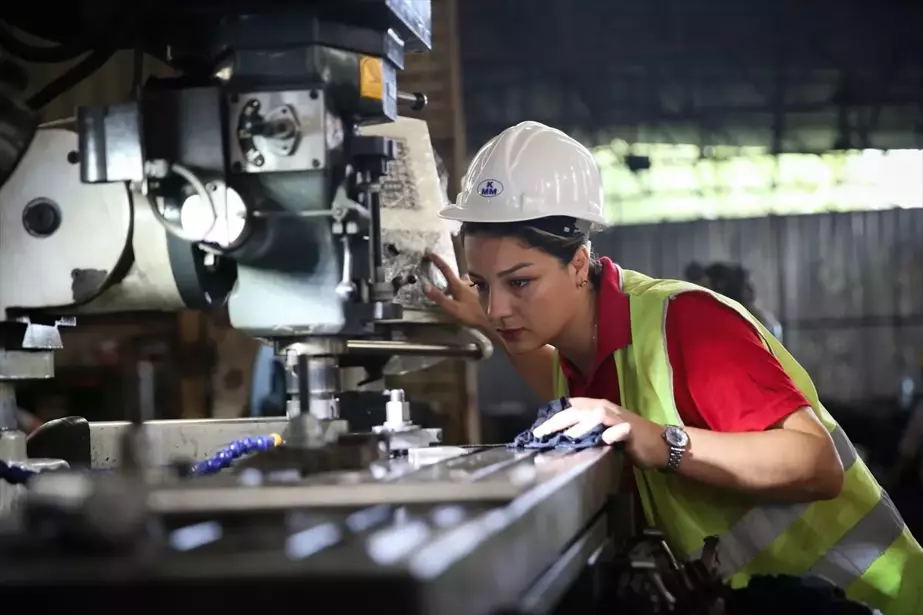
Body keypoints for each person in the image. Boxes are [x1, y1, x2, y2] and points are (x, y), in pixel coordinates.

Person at [423, 121, 921, 614]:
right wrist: (484, 321)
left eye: (519, 283)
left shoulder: (685, 321)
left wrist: (662, 441)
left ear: (578, 263)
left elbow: (819, 466)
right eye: (483, 285)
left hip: (875, 599)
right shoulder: (581, 356)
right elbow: (547, 370)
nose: (497, 308)